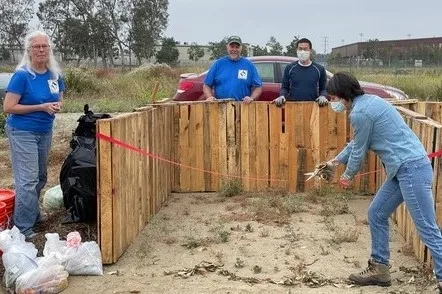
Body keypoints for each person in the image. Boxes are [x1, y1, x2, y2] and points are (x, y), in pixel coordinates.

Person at [326, 72, 442, 291]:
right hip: (403, 169)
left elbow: (359, 151)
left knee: (427, 228)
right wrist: (334, 161)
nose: (333, 103)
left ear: (342, 95)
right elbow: (356, 144)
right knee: (377, 213)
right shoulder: (372, 101)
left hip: (411, 169)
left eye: (333, 98)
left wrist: (347, 176)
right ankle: (380, 269)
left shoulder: (360, 113)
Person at [3, 30, 65, 239]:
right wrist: (41, 107)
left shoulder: (54, 75)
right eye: (36, 46)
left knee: (40, 177)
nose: (41, 50)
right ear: (28, 50)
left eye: (44, 46)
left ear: (50, 49)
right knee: (27, 180)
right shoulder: (22, 76)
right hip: (22, 131)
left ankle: (33, 215)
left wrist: (55, 106)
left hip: (44, 131)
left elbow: (59, 100)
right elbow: (9, 107)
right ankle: (23, 229)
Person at [203, 35, 262, 103]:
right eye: (232, 46)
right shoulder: (218, 64)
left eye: (237, 47)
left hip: (242, 107)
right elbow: (207, 85)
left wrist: (251, 98)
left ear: (241, 48)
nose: (234, 50)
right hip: (221, 107)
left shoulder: (249, 65)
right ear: (227, 47)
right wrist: (210, 97)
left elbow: (258, 86)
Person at [272, 38, 328, 107]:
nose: (302, 51)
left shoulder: (319, 69)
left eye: (305, 49)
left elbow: (323, 89)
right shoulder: (290, 68)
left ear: (310, 50)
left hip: (313, 106)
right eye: (300, 49)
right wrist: (282, 96)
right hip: (293, 107)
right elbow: (284, 87)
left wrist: (323, 96)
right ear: (297, 50)